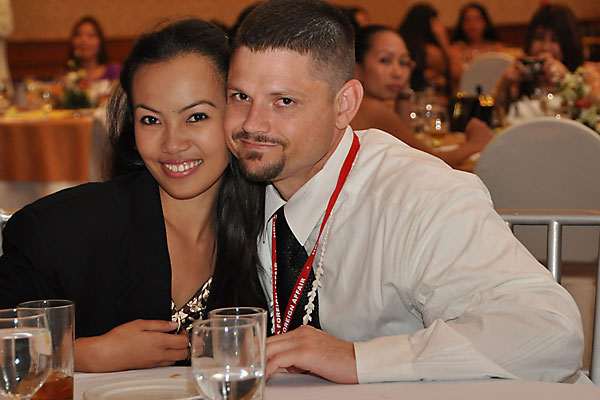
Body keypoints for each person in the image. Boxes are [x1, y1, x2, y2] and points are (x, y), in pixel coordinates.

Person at [225, 0, 583, 384]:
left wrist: (359, 359)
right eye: (240, 96)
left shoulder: (418, 200)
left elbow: (551, 330)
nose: (252, 123)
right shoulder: (231, 183)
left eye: (284, 101)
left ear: (344, 105)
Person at [0, 19, 266, 372]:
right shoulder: (56, 232)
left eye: (196, 116)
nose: (172, 144)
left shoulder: (269, 229)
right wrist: (81, 354)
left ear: (237, 115)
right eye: (151, 120)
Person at [352, 25, 492, 168]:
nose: (398, 72)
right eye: (385, 60)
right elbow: (430, 161)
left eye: (404, 63)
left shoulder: (358, 105)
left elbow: (407, 147)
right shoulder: (371, 109)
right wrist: (475, 144)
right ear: (356, 67)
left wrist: (403, 91)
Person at [493, 4, 600, 114]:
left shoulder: (584, 74)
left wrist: (567, 79)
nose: (545, 47)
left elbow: (595, 109)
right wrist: (505, 83)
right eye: (539, 38)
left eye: (554, 40)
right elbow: (495, 113)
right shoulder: (521, 77)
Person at [398, 4, 460, 98]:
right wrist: (443, 41)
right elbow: (456, 74)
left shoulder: (400, 43)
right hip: (424, 96)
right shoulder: (430, 51)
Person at [449, 3, 503, 89]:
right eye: (467, 20)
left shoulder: (496, 47)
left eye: (477, 19)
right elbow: (457, 76)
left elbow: (502, 75)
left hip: (492, 92)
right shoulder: (456, 49)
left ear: (485, 22)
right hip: (464, 93)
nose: (472, 25)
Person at [66, 16, 121, 81]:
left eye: (91, 35)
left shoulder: (114, 72)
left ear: (100, 41)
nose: (83, 40)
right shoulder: (67, 76)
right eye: (78, 35)